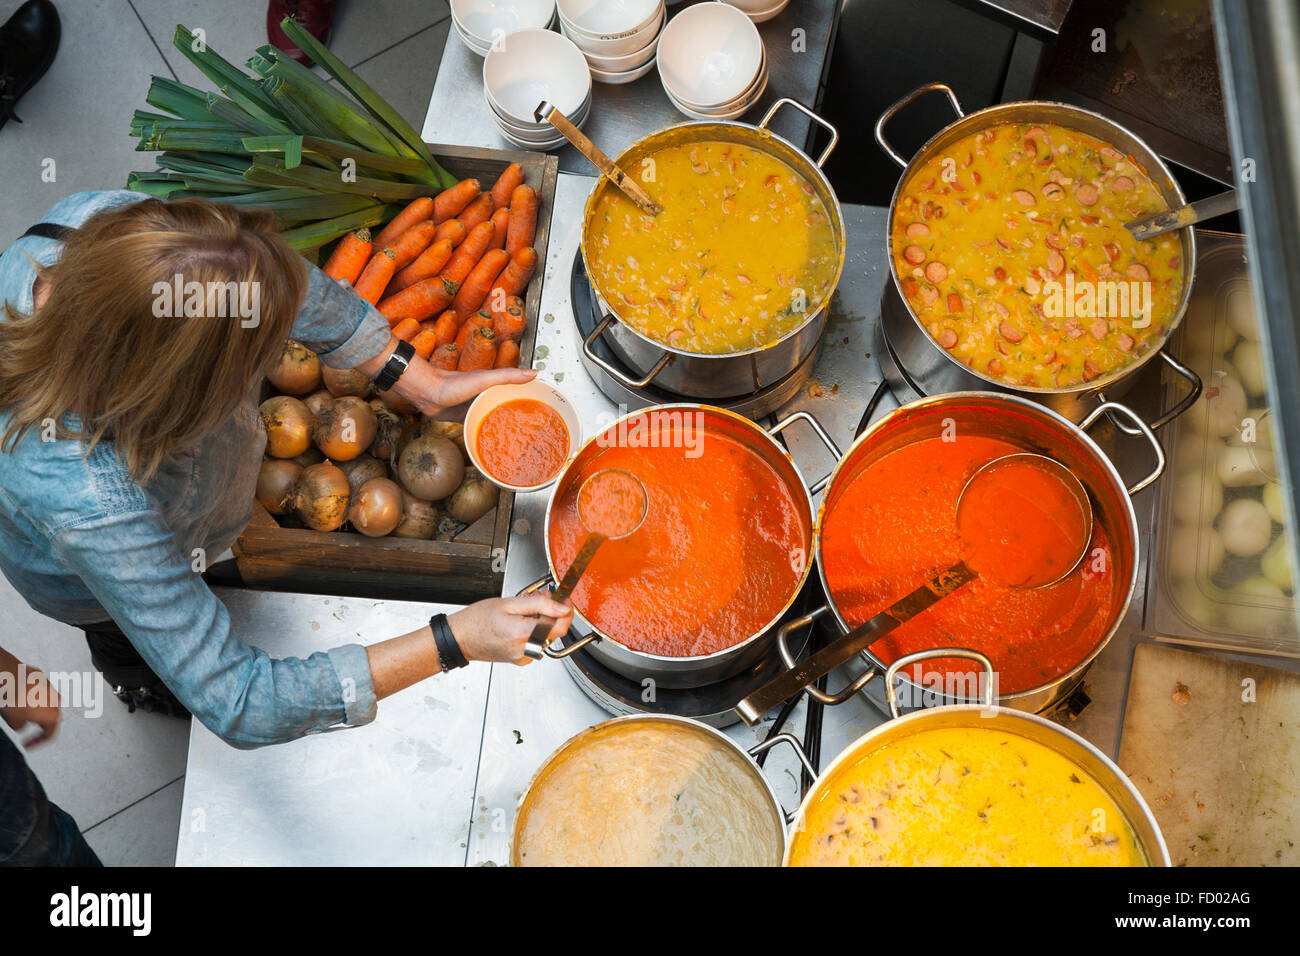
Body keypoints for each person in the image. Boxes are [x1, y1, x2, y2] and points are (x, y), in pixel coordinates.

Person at [0, 190, 573, 865]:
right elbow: (242, 700)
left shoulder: (119, 235)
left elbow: (282, 287)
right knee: (127, 630)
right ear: (184, 397)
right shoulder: (88, 495)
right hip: (87, 577)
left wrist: (414, 381)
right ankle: (138, 677)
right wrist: (454, 639)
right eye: (254, 359)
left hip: (207, 508)